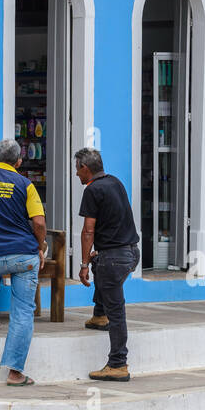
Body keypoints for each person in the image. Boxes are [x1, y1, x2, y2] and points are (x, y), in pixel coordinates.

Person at [0, 138, 47, 386]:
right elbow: (38, 222)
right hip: (23, 256)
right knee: (23, 312)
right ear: (19, 162)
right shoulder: (26, 184)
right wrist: (41, 246)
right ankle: (15, 373)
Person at [75, 147, 140, 382]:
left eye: (77, 169)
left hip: (115, 257)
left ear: (85, 168)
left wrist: (83, 263)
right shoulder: (115, 182)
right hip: (131, 252)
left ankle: (118, 364)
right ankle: (99, 315)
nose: (76, 175)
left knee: (117, 309)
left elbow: (88, 230)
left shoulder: (92, 190)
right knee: (100, 265)